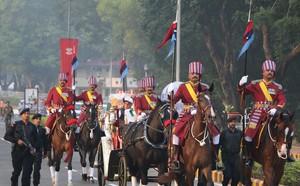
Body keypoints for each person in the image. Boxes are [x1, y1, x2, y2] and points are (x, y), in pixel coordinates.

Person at [238, 59, 287, 166]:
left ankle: (286, 151)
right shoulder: (255, 84)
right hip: (257, 113)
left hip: (272, 113)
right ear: (263, 72)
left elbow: (282, 100)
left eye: (272, 71)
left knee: (284, 128)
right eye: (267, 70)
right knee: (248, 134)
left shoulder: (277, 87)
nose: (270, 72)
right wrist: (241, 84)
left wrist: (277, 108)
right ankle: (248, 156)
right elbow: (243, 92)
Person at [4, 108, 37, 186]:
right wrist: (17, 141)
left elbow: (37, 140)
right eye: (25, 114)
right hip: (17, 152)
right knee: (16, 172)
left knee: (27, 174)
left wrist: (39, 149)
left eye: (28, 113)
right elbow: (6, 136)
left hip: (29, 153)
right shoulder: (16, 124)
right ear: (21, 115)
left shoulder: (32, 126)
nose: (27, 115)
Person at [220, 114, 243, 186]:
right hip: (226, 157)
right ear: (228, 123)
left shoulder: (239, 133)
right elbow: (219, 144)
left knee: (236, 177)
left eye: (234, 122)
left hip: (236, 157)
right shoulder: (224, 133)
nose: (233, 123)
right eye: (231, 122)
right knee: (227, 175)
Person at [31, 113, 48, 186]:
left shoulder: (42, 129)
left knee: (37, 170)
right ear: (33, 120)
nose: (38, 120)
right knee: (28, 170)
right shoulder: (29, 127)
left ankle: (36, 184)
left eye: (39, 119)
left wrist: (46, 152)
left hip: (38, 152)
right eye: (36, 119)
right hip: (29, 152)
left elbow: (45, 141)